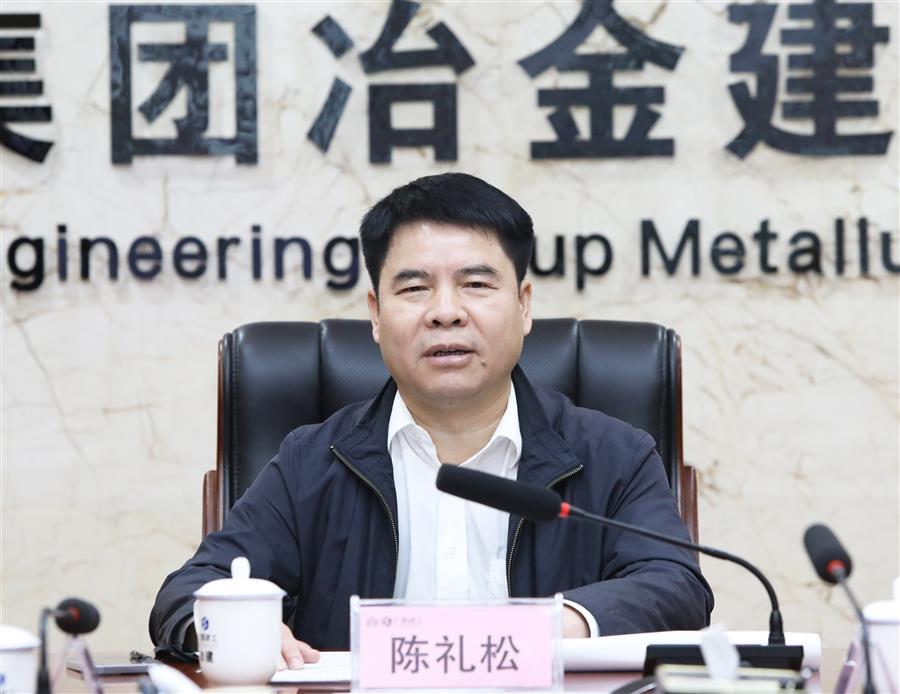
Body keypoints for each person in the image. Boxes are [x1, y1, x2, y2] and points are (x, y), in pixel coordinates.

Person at [150, 173, 713, 667]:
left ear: (524, 304)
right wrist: (236, 626)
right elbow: (189, 592)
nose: (446, 312)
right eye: (415, 288)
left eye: (476, 285)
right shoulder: (312, 463)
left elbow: (675, 586)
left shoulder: (613, 455)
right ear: (375, 314)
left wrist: (560, 626)